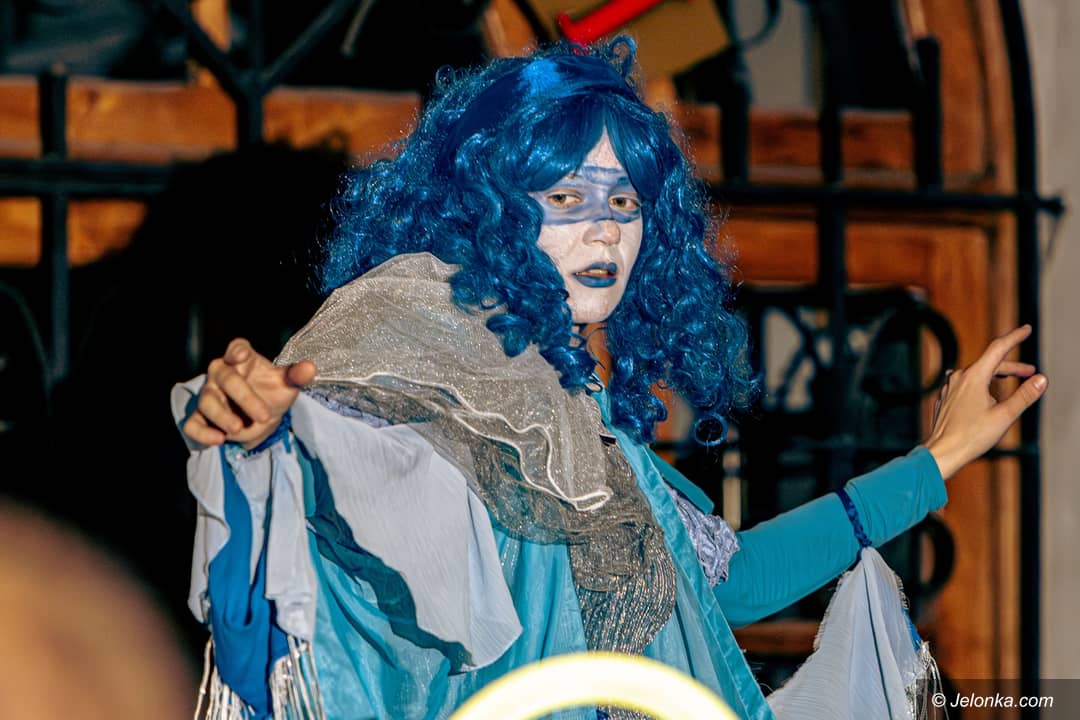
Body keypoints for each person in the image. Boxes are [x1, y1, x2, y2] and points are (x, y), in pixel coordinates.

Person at [172, 38, 1048, 720]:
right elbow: (352, 477)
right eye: (566, 197)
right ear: (484, 208)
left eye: (625, 202)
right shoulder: (413, 349)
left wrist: (939, 458)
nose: (604, 231)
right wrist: (265, 436)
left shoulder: (590, 432)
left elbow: (733, 584)